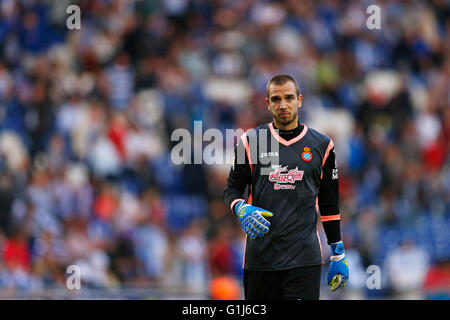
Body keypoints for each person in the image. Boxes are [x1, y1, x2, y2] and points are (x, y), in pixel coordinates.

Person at [223, 74, 349, 300]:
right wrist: (241, 208)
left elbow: (329, 204)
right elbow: (231, 189)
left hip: (303, 260)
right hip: (260, 260)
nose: (283, 105)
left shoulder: (322, 145)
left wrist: (337, 251)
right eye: (276, 99)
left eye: (289, 98)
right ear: (268, 103)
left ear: (299, 100)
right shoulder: (251, 142)